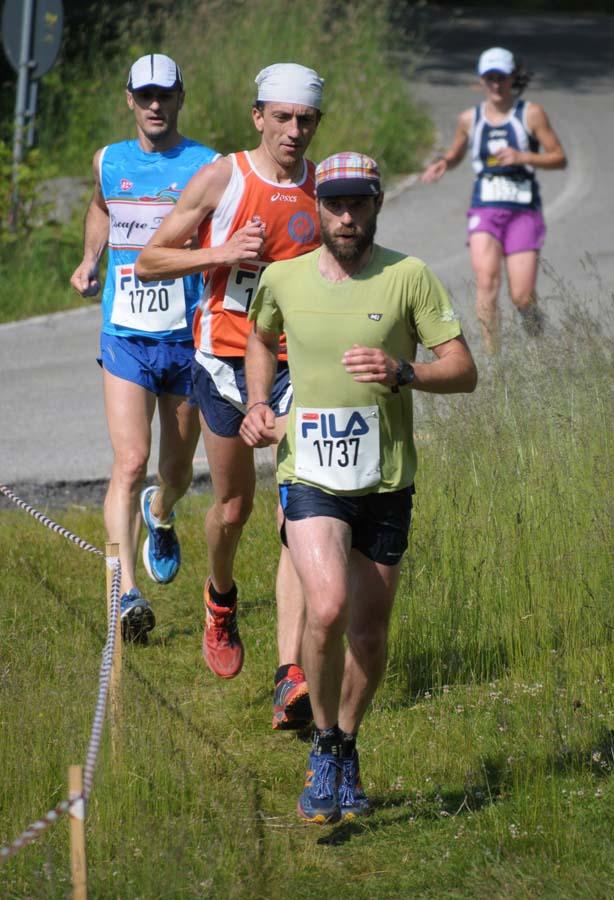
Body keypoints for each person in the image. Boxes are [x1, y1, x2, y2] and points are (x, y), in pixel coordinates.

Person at [240, 151, 478, 823]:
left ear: (378, 204)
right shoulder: (283, 278)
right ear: (317, 205)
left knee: (369, 638)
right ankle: (320, 744)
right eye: (335, 203)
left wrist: (405, 371)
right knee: (325, 608)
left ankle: (346, 740)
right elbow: (259, 337)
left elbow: (462, 370)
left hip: (385, 479)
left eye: (359, 203)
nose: (346, 216)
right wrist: (259, 403)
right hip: (309, 472)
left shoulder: (409, 277)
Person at [136, 64, 324, 727]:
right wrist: (219, 256)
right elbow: (150, 260)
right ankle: (220, 598)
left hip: (296, 365)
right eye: (282, 118)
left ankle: (290, 675)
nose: (293, 132)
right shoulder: (225, 178)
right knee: (235, 508)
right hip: (221, 362)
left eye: (305, 121)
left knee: (296, 516)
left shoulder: (322, 189)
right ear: (258, 118)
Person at [70, 54, 219, 641]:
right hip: (125, 333)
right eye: (145, 96)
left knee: (175, 470)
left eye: (165, 95)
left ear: (180, 97)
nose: (155, 105)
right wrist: (89, 259)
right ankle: (125, 595)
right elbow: (101, 207)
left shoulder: (209, 166)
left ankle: (161, 511)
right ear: (129, 100)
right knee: (129, 461)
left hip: (187, 339)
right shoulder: (109, 160)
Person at [421, 47, 567, 354]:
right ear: (481, 81)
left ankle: (534, 326)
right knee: (486, 281)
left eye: (502, 77)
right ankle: (493, 356)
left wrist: (523, 156)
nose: (496, 85)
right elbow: (458, 152)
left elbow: (559, 158)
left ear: (513, 77)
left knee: (522, 296)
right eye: (490, 78)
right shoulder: (469, 119)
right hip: (485, 208)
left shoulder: (531, 114)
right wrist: (444, 162)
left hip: (523, 210)